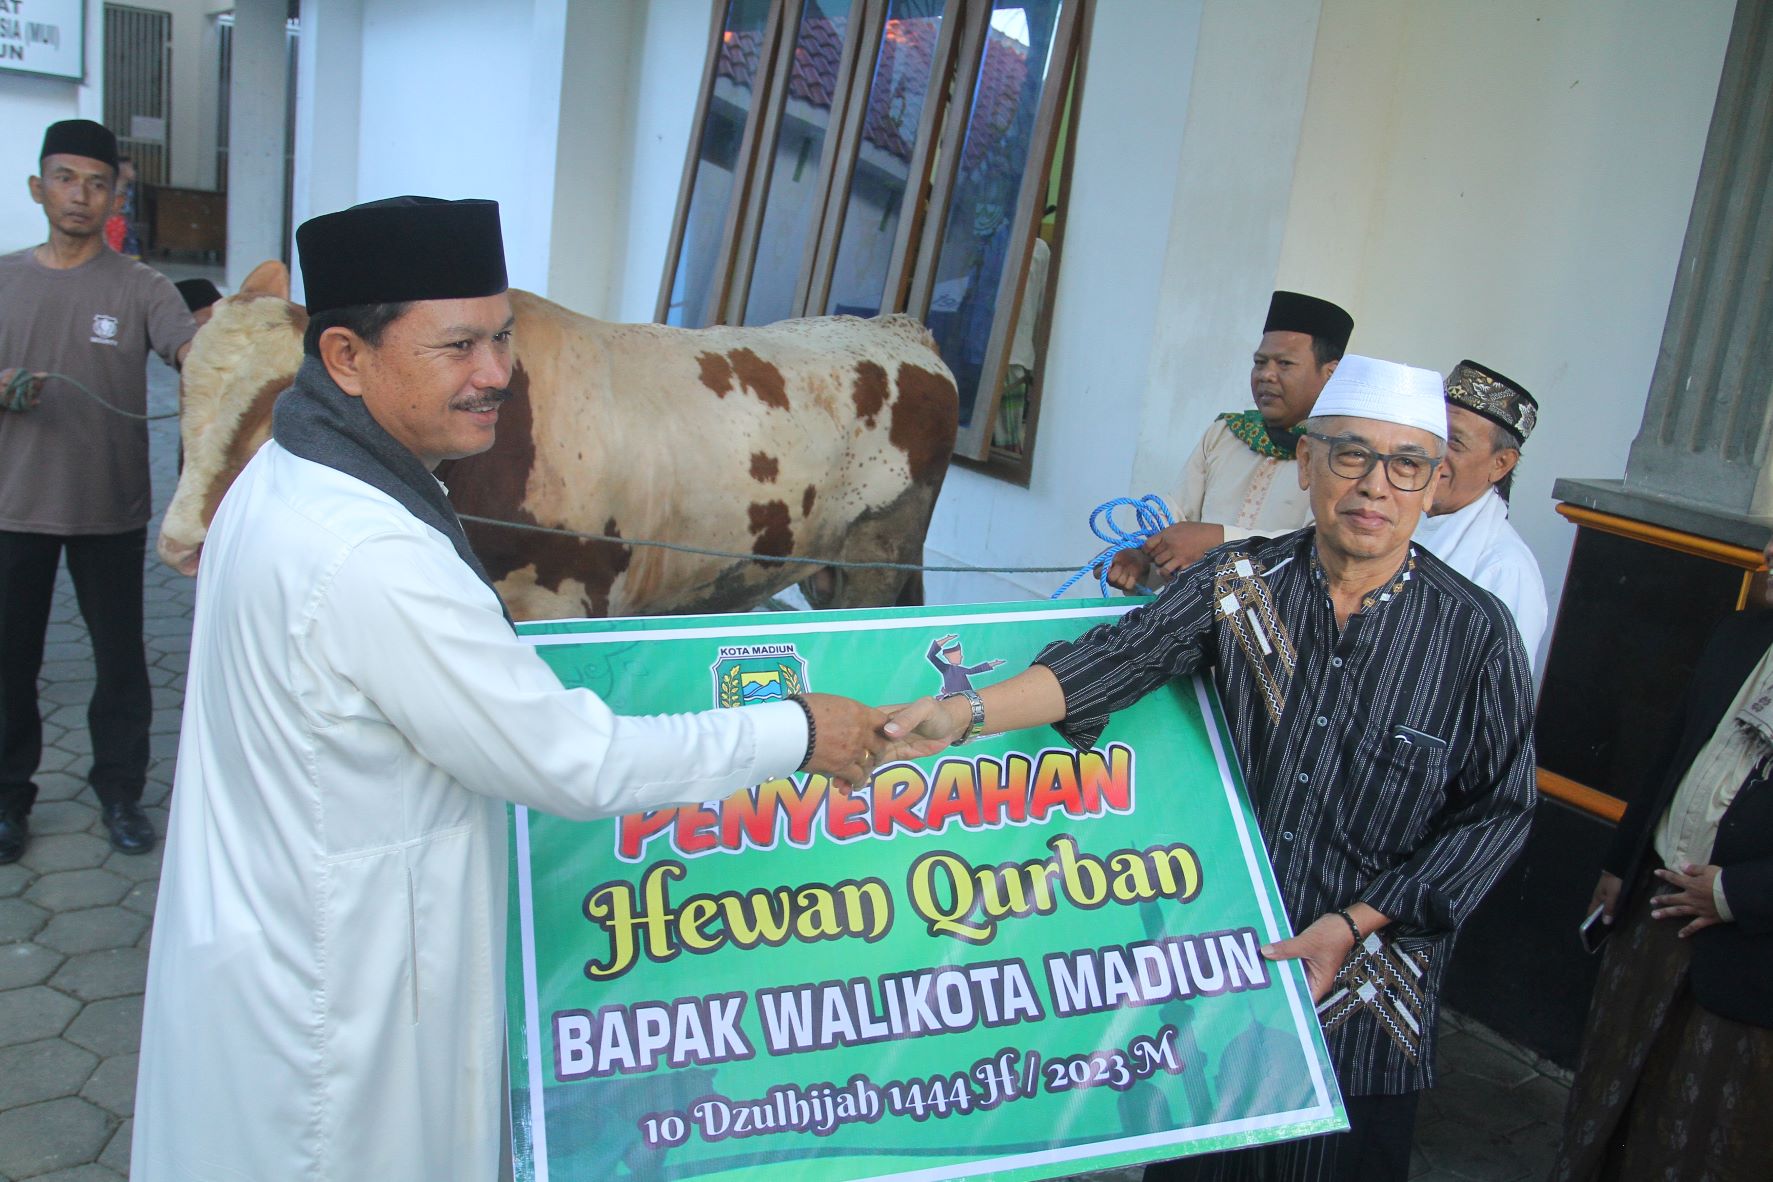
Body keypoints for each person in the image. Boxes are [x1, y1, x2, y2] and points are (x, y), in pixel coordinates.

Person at [131, 197, 922, 1181]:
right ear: (345, 358)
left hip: (275, 935)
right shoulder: (371, 554)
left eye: (504, 336)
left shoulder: (286, 474)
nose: (499, 372)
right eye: (459, 346)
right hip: (343, 1000)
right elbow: (577, 760)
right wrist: (796, 730)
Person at [890, 356, 1537, 1181]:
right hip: (1225, 980)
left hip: (1363, 1005)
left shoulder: (1474, 634)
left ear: (1429, 481)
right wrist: (962, 713)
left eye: (1404, 464)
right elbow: (1115, 659)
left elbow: (1497, 813)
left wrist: (1356, 921)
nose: (1375, 485)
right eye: (1350, 455)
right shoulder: (1239, 587)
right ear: (1306, 463)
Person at [0, 120, 197, 864]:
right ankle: (8, 802)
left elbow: (190, 351)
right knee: (9, 663)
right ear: (36, 187)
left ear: (117, 194)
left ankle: (120, 792)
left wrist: (227, 345)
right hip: (13, 507)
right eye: (64, 178)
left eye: (95, 182)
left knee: (120, 662)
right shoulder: (5, 277)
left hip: (108, 510)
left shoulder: (141, 287)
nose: (78, 195)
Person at [1549, 541, 1773, 1181]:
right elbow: (1671, 751)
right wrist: (1621, 864)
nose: (1765, 553)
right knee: (1608, 1099)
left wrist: (1736, 894)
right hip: (1653, 910)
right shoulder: (1741, 635)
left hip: (1746, 956)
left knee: (1700, 1140)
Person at [1108, 291, 1353, 592]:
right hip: (1190, 614)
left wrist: (1217, 542)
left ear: (1331, 374)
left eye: (1285, 364)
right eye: (1260, 362)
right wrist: (1143, 558)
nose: (1266, 375)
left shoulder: (1345, 457)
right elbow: (1176, 517)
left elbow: (1319, 553)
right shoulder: (1226, 434)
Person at [1412, 360, 1548, 668]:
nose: (1432, 456)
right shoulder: (1398, 520)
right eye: (1432, 436)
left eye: (1454, 443)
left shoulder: (1505, 570)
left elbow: (1500, 699)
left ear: (1500, 463)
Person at [926, 632, 1004, 695]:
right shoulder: (945, 668)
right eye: (959, 655)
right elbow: (930, 656)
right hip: (953, 698)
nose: (961, 657)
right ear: (951, 656)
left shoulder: (960, 669)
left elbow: (974, 670)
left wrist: (993, 663)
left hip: (966, 697)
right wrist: (947, 639)